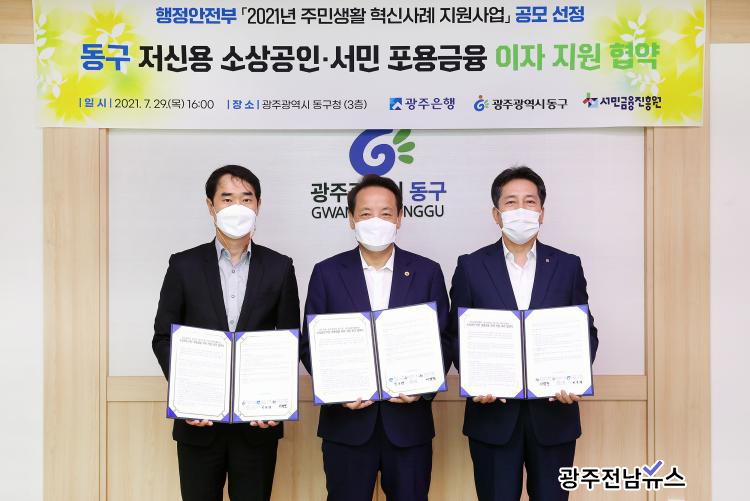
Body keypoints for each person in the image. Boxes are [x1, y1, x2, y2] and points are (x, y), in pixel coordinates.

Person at [449, 166, 599, 501]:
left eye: (529, 202)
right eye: (511, 202)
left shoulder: (567, 265)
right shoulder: (471, 267)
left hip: (554, 414)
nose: (521, 210)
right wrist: (474, 379)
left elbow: (585, 331)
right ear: (496, 213)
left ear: (541, 212)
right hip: (492, 416)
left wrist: (574, 378)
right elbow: (456, 334)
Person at [152, 165, 300, 501]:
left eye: (246, 199)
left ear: (258, 205)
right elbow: (163, 337)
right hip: (198, 423)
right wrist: (186, 396)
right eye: (227, 198)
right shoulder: (183, 265)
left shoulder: (280, 267)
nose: (237, 208)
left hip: (258, 425)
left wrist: (275, 403)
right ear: (211, 205)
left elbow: (289, 340)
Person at [300, 174, 450, 501]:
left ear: (399, 218)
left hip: (408, 425)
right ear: (351, 219)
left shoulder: (427, 272)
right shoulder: (327, 273)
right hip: (347, 425)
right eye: (366, 213)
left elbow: (444, 339)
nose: (376, 221)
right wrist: (337, 390)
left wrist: (423, 388)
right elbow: (310, 344)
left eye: (385, 213)